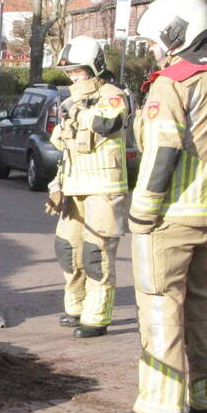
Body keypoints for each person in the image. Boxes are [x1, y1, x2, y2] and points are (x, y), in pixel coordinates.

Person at [116, 0, 207, 413]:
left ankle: (159, 407)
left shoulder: (174, 82)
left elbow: (162, 152)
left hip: (171, 219)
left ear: (176, 32)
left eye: (156, 40)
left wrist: (142, 214)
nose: (154, 49)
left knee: (160, 307)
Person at [46, 35, 129, 339]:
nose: (74, 78)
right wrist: (57, 183)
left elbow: (109, 125)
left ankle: (97, 316)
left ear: (95, 67)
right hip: (73, 187)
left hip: (103, 189)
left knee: (97, 254)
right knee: (67, 248)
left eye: (79, 72)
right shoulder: (69, 100)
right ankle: (76, 306)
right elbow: (61, 144)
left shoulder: (112, 96)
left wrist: (79, 113)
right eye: (70, 73)